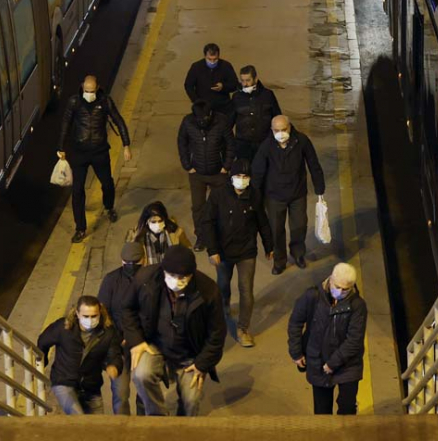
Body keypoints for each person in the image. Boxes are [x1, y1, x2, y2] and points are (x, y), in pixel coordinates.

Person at [123, 245, 227, 416]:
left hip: (190, 354)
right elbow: (127, 309)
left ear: (192, 274)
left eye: (183, 277)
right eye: (172, 276)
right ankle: (159, 419)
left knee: (191, 401)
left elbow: (217, 334)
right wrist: (136, 341)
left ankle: (182, 428)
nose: (177, 281)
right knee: (141, 375)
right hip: (155, 345)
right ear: (163, 270)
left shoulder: (208, 291)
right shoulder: (146, 279)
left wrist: (203, 363)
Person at [200, 159, 273, 348]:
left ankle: (243, 328)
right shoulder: (218, 195)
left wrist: (269, 245)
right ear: (231, 178)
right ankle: (223, 312)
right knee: (223, 286)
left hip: (246, 251)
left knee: (246, 291)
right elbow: (207, 222)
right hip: (223, 252)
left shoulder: (254, 196)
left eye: (245, 176)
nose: (242, 180)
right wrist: (213, 250)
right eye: (238, 176)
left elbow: (262, 222)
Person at [57, 76, 131, 243]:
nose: (89, 94)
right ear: (82, 87)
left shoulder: (105, 102)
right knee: (77, 191)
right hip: (79, 154)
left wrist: (126, 145)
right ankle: (80, 228)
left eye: (91, 91)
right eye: (86, 91)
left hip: (99, 152)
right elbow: (65, 124)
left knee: (107, 183)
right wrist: (60, 147)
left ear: (97, 88)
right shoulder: (74, 102)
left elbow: (118, 120)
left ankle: (109, 206)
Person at [287, 263, 368, 415]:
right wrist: (296, 352)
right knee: (322, 411)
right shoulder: (312, 296)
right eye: (337, 287)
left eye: (345, 289)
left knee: (347, 407)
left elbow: (354, 340)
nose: (340, 292)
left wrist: (332, 363)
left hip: (348, 365)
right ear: (330, 280)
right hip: (318, 361)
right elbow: (295, 322)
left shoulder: (357, 306)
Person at [251, 115, 325, 274]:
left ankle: (298, 254)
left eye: (284, 129)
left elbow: (313, 164)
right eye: (276, 130)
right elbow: (257, 171)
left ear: (290, 127)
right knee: (276, 231)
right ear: (272, 130)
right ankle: (279, 261)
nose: (280, 133)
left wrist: (320, 189)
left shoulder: (302, 141)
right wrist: (254, 195)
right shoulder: (267, 146)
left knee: (299, 227)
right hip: (274, 197)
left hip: (297, 194)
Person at [38, 295, 122, 415]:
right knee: (79, 419)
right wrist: (42, 362)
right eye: (86, 316)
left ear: (100, 313)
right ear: (77, 314)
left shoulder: (108, 332)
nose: (90, 320)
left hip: (91, 386)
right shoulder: (62, 328)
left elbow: (114, 354)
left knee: (98, 426)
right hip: (64, 382)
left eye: (94, 316)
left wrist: (114, 366)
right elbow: (43, 341)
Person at [178, 100, 235, 252]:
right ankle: (202, 237)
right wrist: (187, 165)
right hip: (197, 173)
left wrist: (226, 166)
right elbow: (181, 142)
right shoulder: (188, 122)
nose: (203, 121)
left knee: (223, 205)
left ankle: (222, 236)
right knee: (198, 207)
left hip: (218, 172)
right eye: (200, 119)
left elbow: (230, 143)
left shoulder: (221, 122)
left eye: (205, 118)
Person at [98, 242, 146, 415]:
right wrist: (118, 339)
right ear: (121, 261)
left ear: (144, 259)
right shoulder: (111, 281)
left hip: (142, 344)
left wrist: (136, 336)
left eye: (136, 261)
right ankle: (122, 428)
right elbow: (103, 315)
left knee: (144, 391)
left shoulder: (152, 279)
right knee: (120, 393)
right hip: (118, 348)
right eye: (128, 262)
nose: (132, 266)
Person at [232, 65, 283, 161]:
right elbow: (231, 120)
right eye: (242, 81)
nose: (245, 84)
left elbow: (277, 116)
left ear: (255, 79)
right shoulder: (237, 97)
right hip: (243, 145)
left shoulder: (268, 95)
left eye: (248, 80)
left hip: (264, 143)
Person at [127, 201, 193, 264]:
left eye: (160, 221)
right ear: (147, 222)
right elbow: (131, 261)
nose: (157, 224)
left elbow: (187, 250)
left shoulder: (175, 232)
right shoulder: (138, 238)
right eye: (153, 222)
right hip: (149, 273)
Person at [184, 42, 239, 117]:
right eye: (209, 59)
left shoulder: (226, 66)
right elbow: (188, 85)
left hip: (223, 109)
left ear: (218, 56)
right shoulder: (196, 67)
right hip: (203, 108)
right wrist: (197, 101)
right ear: (205, 56)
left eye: (215, 59)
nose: (212, 62)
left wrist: (223, 87)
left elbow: (235, 84)